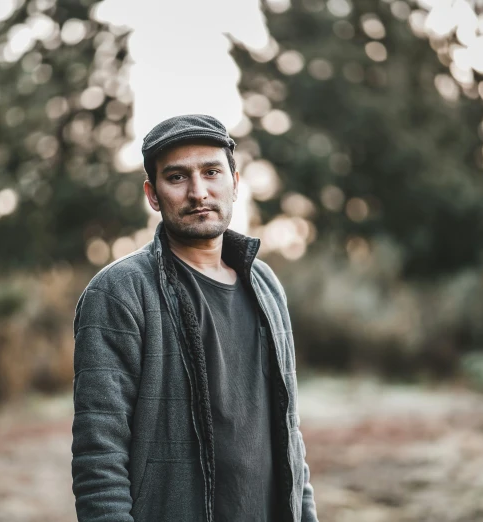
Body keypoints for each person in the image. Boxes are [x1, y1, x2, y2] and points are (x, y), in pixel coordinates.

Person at [71, 114, 318, 522]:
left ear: (235, 183)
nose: (198, 192)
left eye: (211, 172)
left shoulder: (266, 284)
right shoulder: (119, 292)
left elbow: (288, 430)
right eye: (177, 177)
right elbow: (100, 455)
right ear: (153, 194)